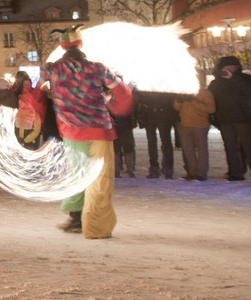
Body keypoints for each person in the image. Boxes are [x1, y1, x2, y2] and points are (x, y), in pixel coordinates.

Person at [41, 27, 131, 239]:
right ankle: (96, 227)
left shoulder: (51, 69)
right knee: (100, 179)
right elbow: (123, 93)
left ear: (62, 46)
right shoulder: (98, 68)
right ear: (81, 44)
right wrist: (113, 105)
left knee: (76, 173)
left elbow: (40, 91)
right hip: (99, 129)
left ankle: (75, 217)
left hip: (71, 130)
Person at [208, 56, 251, 182]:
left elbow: (248, 92)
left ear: (237, 67)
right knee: (230, 147)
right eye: (225, 67)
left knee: (248, 146)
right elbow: (212, 100)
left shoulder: (247, 79)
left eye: (230, 66)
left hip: (243, 118)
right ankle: (235, 172)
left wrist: (233, 78)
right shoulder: (216, 83)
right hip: (225, 119)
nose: (228, 69)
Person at [174, 75, 215, 181]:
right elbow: (177, 108)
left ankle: (201, 173)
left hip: (200, 126)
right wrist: (179, 101)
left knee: (201, 150)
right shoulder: (185, 92)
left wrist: (194, 102)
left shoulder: (206, 93)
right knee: (188, 150)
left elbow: (211, 109)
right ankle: (192, 172)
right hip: (185, 124)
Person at [136, 90, 178, 179]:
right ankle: (167, 169)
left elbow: (140, 97)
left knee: (155, 142)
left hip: (152, 113)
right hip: (160, 113)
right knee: (164, 142)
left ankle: (157, 168)